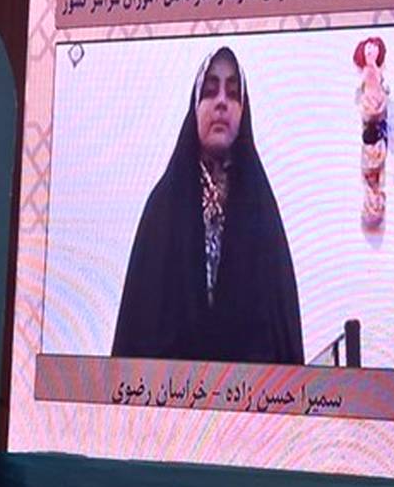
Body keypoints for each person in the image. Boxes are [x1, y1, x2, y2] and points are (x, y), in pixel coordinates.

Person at [111, 46, 304, 365]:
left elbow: (281, 335)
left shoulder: (261, 212)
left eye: (233, 93)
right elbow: (138, 330)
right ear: (195, 107)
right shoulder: (163, 210)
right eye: (210, 91)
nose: (221, 102)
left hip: (249, 391)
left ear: (243, 112)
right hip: (172, 390)